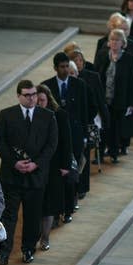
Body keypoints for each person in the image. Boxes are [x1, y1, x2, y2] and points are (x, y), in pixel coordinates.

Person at [0, 79, 58, 265]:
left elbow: (51, 145)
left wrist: (36, 164)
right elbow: (0, 142)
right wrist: (14, 163)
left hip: (35, 176)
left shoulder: (47, 116)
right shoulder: (7, 115)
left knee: (32, 216)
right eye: (27, 95)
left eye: (34, 94)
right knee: (8, 216)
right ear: (19, 96)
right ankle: (4, 252)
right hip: (11, 176)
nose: (32, 98)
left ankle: (28, 249)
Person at [41, 52, 90, 218]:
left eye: (67, 66)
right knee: (57, 175)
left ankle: (70, 206)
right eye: (62, 67)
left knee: (71, 172)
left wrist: (84, 135)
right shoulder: (47, 86)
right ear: (55, 68)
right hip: (56, 136)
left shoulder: (79, 84)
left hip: (74, 135)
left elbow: (84, 111)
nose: (65, 70)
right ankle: (55, 209)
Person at [35, 84, 73, 251]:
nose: (39, 103)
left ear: (48, 99)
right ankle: (36, 235)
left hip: (54, 165)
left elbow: (66, 141)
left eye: (42, 100)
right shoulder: (32, 115)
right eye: (37, 100)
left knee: (49, 205)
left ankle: (45, 237)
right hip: (37, 166)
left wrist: (65, 165)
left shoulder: (59, 115)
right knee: (38, 203)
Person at [96, 29, 133, 160]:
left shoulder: (129, 58)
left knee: (115, 127)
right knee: (102, 127)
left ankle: (114, 153)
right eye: (112, 40)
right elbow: (97, 76)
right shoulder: (103, 55)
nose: (114, 42)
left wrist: (132, 103)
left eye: (117, 40)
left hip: (119, 99)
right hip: (104, 98)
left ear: (123, 43)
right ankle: (100, 153)